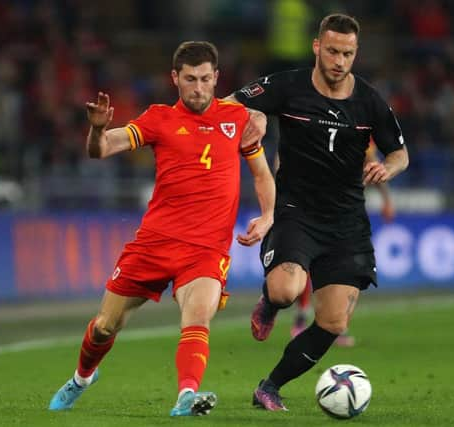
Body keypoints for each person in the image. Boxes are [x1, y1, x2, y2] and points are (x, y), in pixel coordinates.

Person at [48, 41, 275, 417]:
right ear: (175, 79)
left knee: (198, 316)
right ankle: (82, 378)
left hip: (205, 249)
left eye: (205, 79)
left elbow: (262, 174)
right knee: (106, 326)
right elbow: (101, 150)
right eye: (190, 79)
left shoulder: (239, 120)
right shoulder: (158, 119)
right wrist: (96, 130)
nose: (199, 88)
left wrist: (267, 215)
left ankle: (186, 396)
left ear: (217, 78)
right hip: (154, 244)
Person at [228, 13, 409, 411]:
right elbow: (229, 105)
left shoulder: (369, 101)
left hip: (346, 220)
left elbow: (399, 152)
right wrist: (251, 114)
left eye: (347, 53)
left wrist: (388, 168)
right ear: (316, 47)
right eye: (331, 51)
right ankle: (271, 304)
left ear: (355, 53)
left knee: (333, 322)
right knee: (286, 290)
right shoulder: (286, 85)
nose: (339, 61)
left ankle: (269, 387)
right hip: (295, 208)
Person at [290, 142, 396, 347]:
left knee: (344, 269)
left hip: (347, 213)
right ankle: (302, 316)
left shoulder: (360, 128)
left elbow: (374, 165)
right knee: (308, 264)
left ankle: (336, 325)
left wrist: (387, 200)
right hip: (312, 208)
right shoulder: (315, 124)